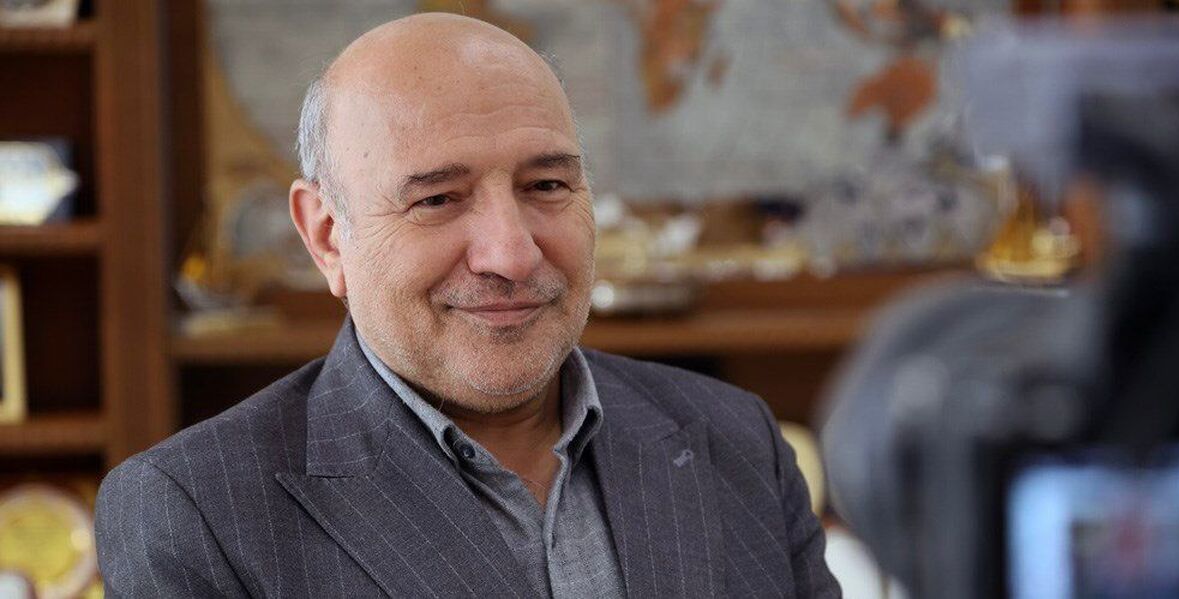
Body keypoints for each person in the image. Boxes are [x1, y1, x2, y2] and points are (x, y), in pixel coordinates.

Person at [95, 13, 839, 598]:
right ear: (326, 235)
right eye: (438, 199)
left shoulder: (735, 438)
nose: (510, 254)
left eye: (546, 186)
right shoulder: (196, 511)